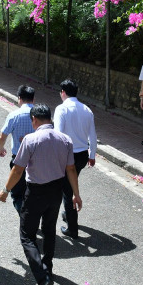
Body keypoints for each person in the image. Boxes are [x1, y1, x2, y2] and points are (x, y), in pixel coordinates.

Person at [0, 104, 82, 285]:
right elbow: (71, 169)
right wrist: (76, 195)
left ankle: (42, 278)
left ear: (34, 119)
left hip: (35, 191)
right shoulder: (65, 139)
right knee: (49, 230)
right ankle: (48, 269)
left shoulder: (31, 139)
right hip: (56, 190)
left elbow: (18, 170)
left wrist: (5, 190)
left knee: (27, 235)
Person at [53, 79, 96, 238]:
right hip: (82, 155)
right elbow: (93, 135)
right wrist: (92, 155)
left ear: (63, 92)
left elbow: (58, 135)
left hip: (67, 154)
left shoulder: (61, 109)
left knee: (67, 191)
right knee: (71, 183)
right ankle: (68, 214)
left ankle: (72, 228)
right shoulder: (86, 109)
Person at [0, 85, 36, 215]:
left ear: (19, 98)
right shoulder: (40, 115)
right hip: (38, 159)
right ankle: (32, 216)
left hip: (19, 159)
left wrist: (1, 148)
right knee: (33, 192)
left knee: (17, 193)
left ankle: (26, 218)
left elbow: (3, 135)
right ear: (33, 99)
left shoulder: (14, 115)